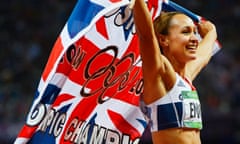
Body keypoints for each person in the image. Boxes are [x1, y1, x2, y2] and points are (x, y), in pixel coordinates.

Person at [132, 0, 217, 144]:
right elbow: (146, 37)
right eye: (186, 32)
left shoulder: (186, 78)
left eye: (194, 32)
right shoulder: (159, 72)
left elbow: (205, 53)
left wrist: (212, 30)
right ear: (163, 39)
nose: (194, 39)